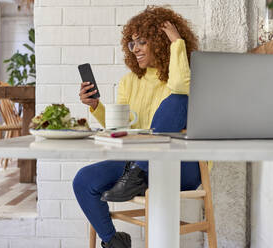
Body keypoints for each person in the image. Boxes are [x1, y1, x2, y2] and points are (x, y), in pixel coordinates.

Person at [73, 6, 201, 248]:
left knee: (176, 100)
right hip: (134, 169)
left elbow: (181, 89)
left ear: (161, 42)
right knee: (83, 180)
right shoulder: (128, 82)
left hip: (182, 166)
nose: (136, 49)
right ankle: (115, 242)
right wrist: (95, 105)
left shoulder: (183, 75)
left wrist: (177, 43)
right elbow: (118, 126)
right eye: (132, 44)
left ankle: (139, 172)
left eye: (142, 41)